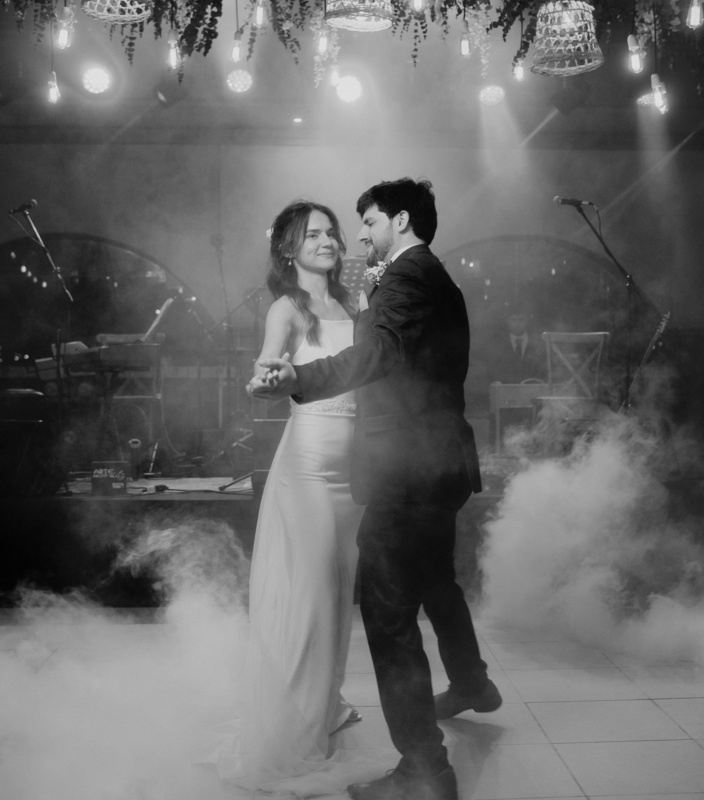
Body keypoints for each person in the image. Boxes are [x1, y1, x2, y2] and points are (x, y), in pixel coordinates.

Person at [250, 178, 502, 800]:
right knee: (435, 581)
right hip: (429, 464)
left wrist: (299, 380)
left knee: (389, 617)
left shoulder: (409, 277)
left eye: (367, 222)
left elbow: (382, 352)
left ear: (401, 219)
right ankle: (471, 685)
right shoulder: (426, 275)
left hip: (407, 470)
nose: (357, 235)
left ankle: (423, 769)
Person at [214, 200, 377, 797]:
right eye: (315, 234)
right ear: (290, 248)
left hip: (352, 472)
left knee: (338, 598)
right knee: (309, 599)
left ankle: (324, 707)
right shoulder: (289, 308)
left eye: (332, 232)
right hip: (308, 469)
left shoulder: (358, 304)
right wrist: (265, 380)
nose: (329, 241)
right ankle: (297, 735)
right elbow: (267, 369)